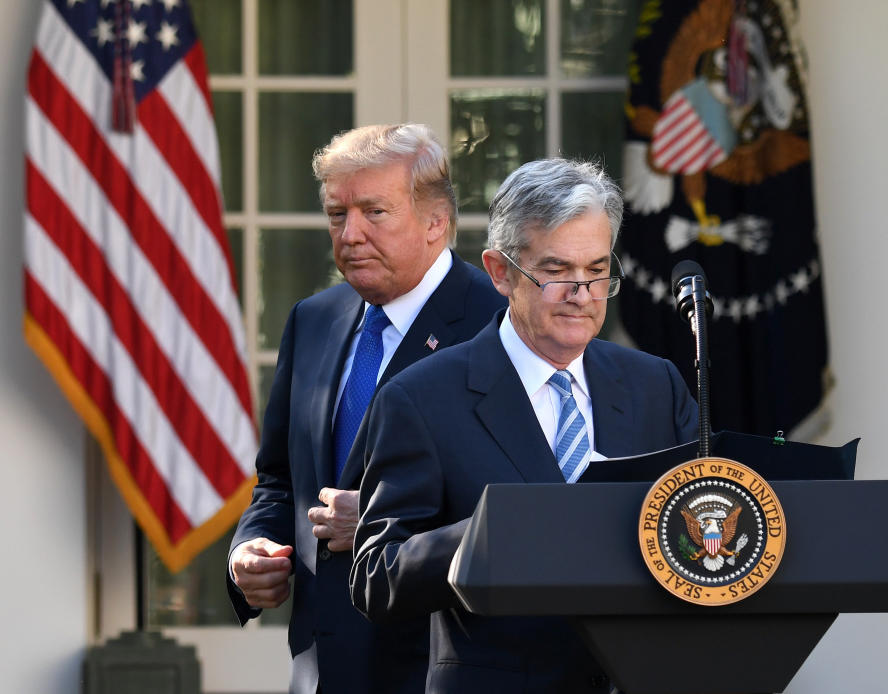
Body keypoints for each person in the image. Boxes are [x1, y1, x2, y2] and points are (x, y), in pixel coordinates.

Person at [349, 158, 698, 693]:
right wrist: (492, 533)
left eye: (598, 271)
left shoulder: (656, 385)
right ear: (500, 271)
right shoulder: (420, 398)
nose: (582, 294)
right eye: (557, 271)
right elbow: (377, 578)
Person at [227, 124, 506, 694]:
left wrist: (389, 522)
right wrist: (248, 552)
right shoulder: (313, 319)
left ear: (436, 221)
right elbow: (281, 478)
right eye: (337, 215)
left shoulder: (498, 324)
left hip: (441, 669)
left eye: (374, 212)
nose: (349, 233)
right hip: (323, 669)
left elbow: (527, 503)